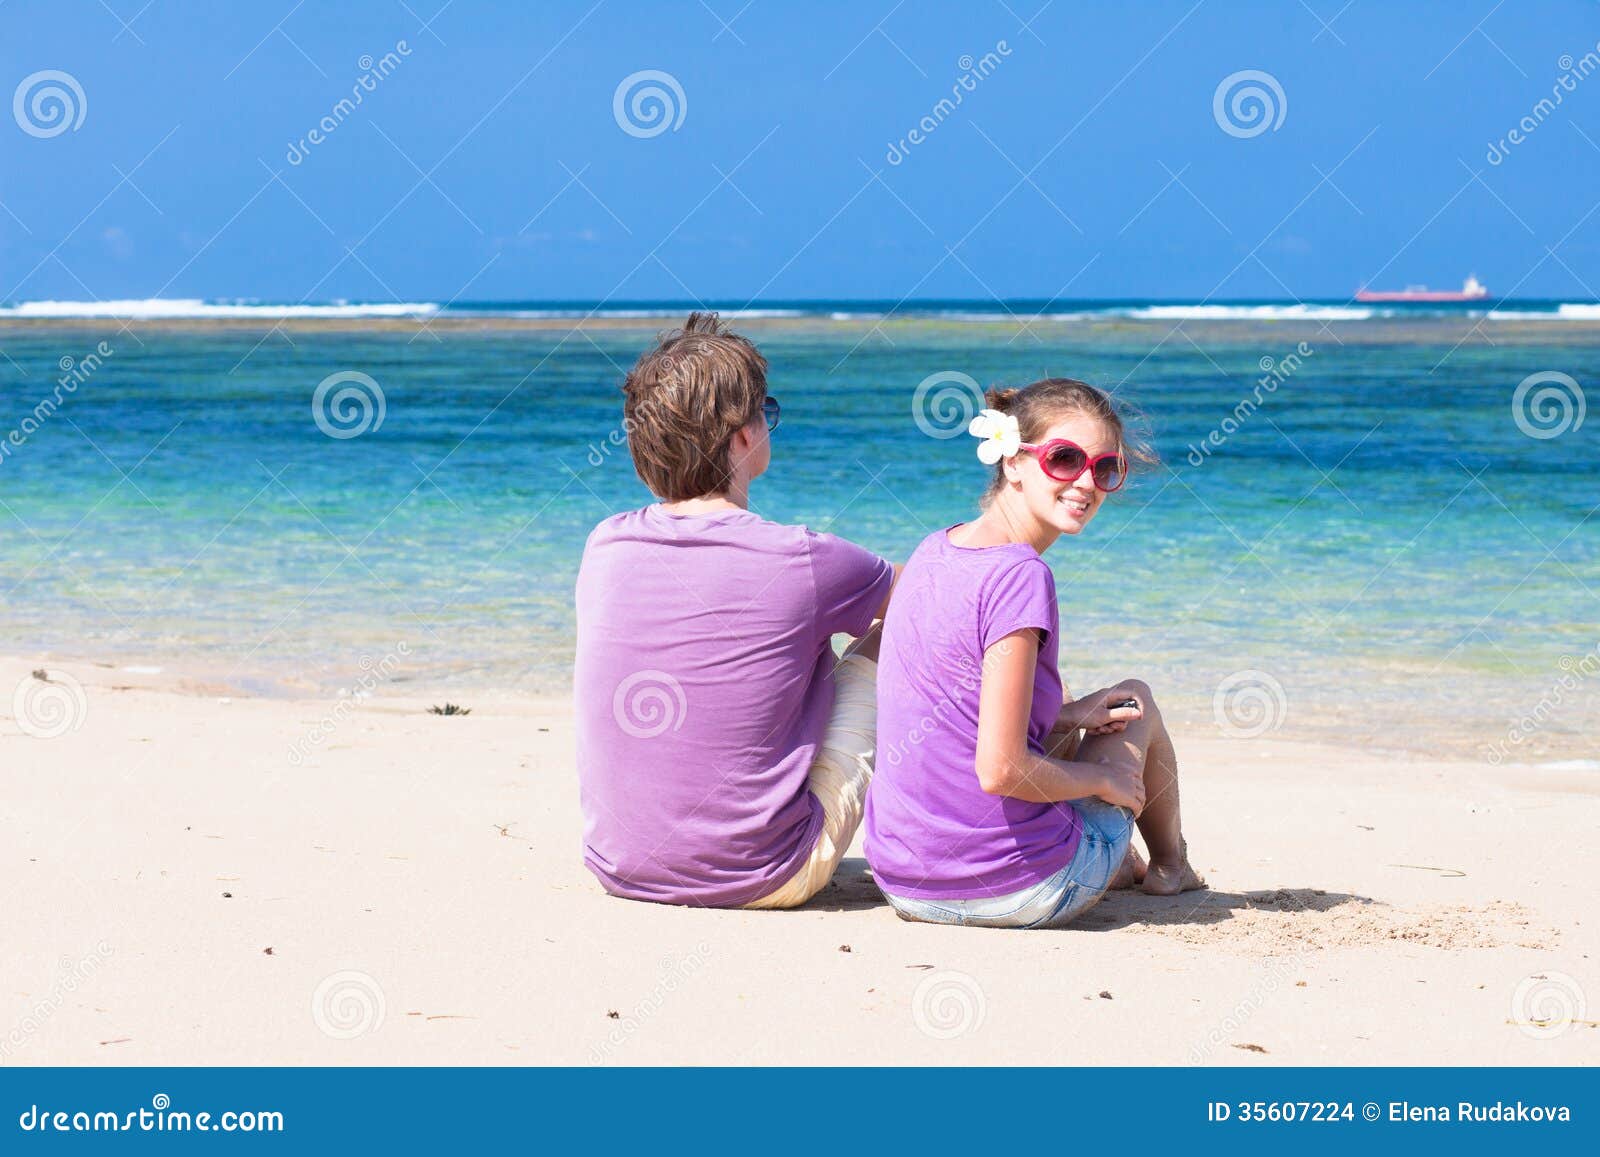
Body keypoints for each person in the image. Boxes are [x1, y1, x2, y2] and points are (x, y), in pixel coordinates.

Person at [575, 313, 896, 909]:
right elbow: (932, 594)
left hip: (620, 865)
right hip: (766, 872)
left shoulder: (606, 543)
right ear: (743, 436)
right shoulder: (801, 555)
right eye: (763, 411)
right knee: (895, 630)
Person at [864, 378, 1203, 929]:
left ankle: (1118, 855)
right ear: (1014, 463)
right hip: (1016, 888)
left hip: (903, 881)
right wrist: (1102, 782)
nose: (1086, 482)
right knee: (1137, 699)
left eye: (1105, 469)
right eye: (1065, 459)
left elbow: (951, 710)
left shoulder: (932, 550)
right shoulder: (1022, 576)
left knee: (1070, 701)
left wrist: (1068, 717)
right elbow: (999, 770)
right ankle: (1170, 866)